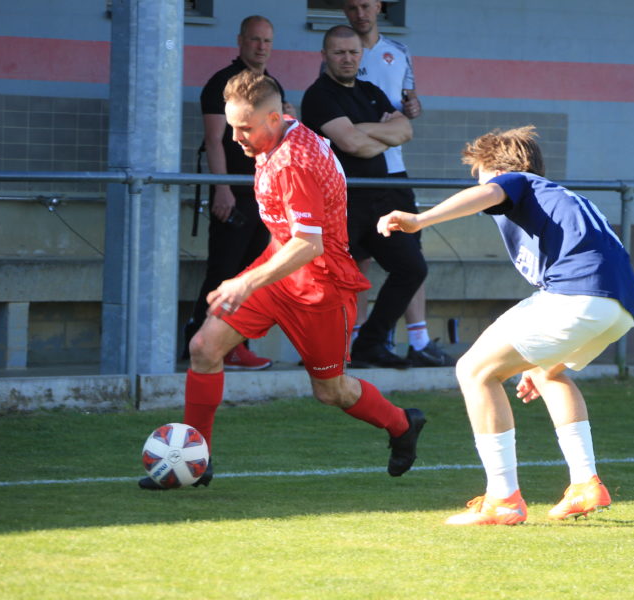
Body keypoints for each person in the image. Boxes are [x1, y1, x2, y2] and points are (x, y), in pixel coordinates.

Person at [139, 69, 426, 490]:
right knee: (203, 348)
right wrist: (255, 280)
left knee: (331, 392)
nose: (237, 137)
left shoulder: (294, 162)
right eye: (233, 125)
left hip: (320, 288)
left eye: (244, 128)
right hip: (278, 269)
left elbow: (309, 246)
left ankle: (402, 424)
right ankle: (196, 461)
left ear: (274, 119)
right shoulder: (280, 129)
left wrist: (244, 283)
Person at [377, 126, 634, 525]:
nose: (481, 183)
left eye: (480, 173)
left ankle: (503, 498)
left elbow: (489, 193)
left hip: (577, 293)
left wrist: (421, 219)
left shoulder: (515, 180)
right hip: (621, 306)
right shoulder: (564, 196)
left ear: (494, 168)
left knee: (474, 371)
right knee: (546, 371)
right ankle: (586, 483)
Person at [301, 25, 426, 369]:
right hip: (342, 202)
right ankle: (325, 352)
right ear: (324, 56)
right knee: (336, 282)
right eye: (339, 53)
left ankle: (369, 343)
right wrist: (380, 135)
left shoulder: (371, 91)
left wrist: (365, 130)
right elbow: (352, 144)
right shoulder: (319, 96)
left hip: (381, 199)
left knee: (411, 268)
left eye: (353, 53)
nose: (347, 59)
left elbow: (406, 131)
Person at [341, 0, 453, 368]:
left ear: (379, 7)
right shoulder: (339, 54)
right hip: (357, 174)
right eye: (353, 7)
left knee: (410, 256)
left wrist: (413, 110)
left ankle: (418, 340)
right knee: (358, 259)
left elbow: (409, 103)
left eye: (367, 5)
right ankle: (354, 344)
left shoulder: (399, 52)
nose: (361, 13)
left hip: (394, 171)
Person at [183, 15, 297, 370]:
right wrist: (222, 189)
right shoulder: (221, 83)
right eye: (254, 40)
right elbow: (214, 140)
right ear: (240, 41)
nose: (261, 47)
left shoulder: (272, 85)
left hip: (267, 195)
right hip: (235, 195)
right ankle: (206, 344)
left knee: (252, 272)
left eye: (267, 41)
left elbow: (285, 138)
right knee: (224, 271)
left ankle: (232, 344)